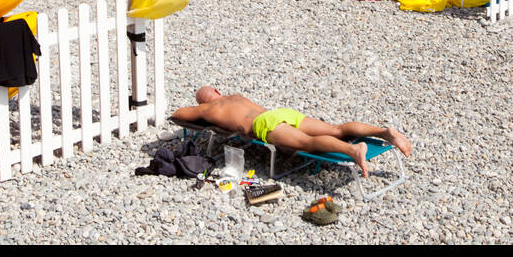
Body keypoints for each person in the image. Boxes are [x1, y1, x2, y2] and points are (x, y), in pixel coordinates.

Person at [170, 87, 412, 177]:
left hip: (264, 125)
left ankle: (352, 149)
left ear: (203, 101)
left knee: (307, 143)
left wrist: (199, 109)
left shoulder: (208, 109)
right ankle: (384, 132)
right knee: (336, 129)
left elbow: (180, 113)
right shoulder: (234, 96)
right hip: (281, 113)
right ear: (217, 90)